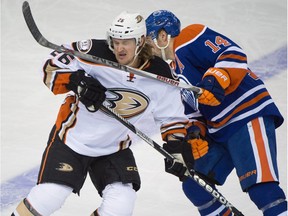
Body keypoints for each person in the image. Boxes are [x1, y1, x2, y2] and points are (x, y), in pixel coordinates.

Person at [11, 11, 192, 216]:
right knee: (50, 196)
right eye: (115, 41)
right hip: (73, 140)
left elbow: (172, 117)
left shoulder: (160, 75)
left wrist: (176, 149)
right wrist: (76, 81)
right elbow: (50, 66)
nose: (119, 48)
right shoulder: (93, 52)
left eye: (126, 42)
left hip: (114, 147)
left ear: (140, 41)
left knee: (121, 206)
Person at [145, 10, 287, 216]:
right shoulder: (174, 72)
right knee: (196, 187)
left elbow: (233, 54)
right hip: (219, 130)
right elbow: (195, 113)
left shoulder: (189, 36)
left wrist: (215, 79)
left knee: (263, 191)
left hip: (246, 115)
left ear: (163, 35)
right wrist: (194, 135)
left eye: (149, 39)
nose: (147, 48)